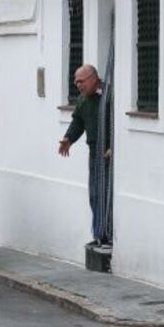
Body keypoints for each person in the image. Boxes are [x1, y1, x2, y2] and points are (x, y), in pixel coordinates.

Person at [58, 64, 111, 244]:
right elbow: (78, 122)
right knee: (95, 194)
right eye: (75, 82)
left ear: (93, 78)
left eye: (81, 81)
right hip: (94, 153)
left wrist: (113, 146)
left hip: (109, 154)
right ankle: (99, 234)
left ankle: (108, 235)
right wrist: (68, 139)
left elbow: (116, 122)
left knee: (107, 195)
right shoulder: (83, 100)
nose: (78, 85)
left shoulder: (109, 96)